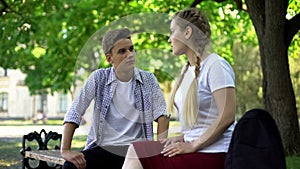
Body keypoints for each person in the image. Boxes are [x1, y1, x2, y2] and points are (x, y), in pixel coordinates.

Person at [122, 7, 236, 169]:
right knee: (136, 149)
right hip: (195, 147)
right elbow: (201, 124)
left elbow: (227, 116)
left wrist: (193, 145)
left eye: (173, 31)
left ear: (187, 32)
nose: (169, 39)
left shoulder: (216, 66)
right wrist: (183, 137)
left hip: (214, 153)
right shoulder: (187, 70)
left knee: (139, 153)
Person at [61, 28, 170, 169]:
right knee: (70, 166)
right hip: (103, 149)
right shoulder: (98, 78)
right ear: (109, 58)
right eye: (122, 51)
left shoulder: (148, 79)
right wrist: (65, 150)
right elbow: (74, 113)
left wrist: (159, 151)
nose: (130, 55)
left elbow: (162, 115)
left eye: (131, 49)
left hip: (136, 151)